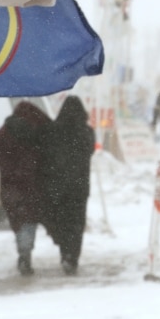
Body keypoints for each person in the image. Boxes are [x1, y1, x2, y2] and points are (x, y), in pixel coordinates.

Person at [0, 101, 52, 276]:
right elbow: (49, 151)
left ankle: (23, 253)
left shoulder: (5, 131)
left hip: (9, 186)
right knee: (29, 220)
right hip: (32, 186)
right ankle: (26, 254)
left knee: (18, 220)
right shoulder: (37, 130)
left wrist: (8, 161)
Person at [38, 96, 96, 275]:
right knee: (77, 224)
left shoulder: (53, 131)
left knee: (62, 222)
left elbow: (45, 154)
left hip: (58, 186)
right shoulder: (86, 132)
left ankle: (64, 253)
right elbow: (90, 150)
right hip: (79, 187)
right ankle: (73, 257)